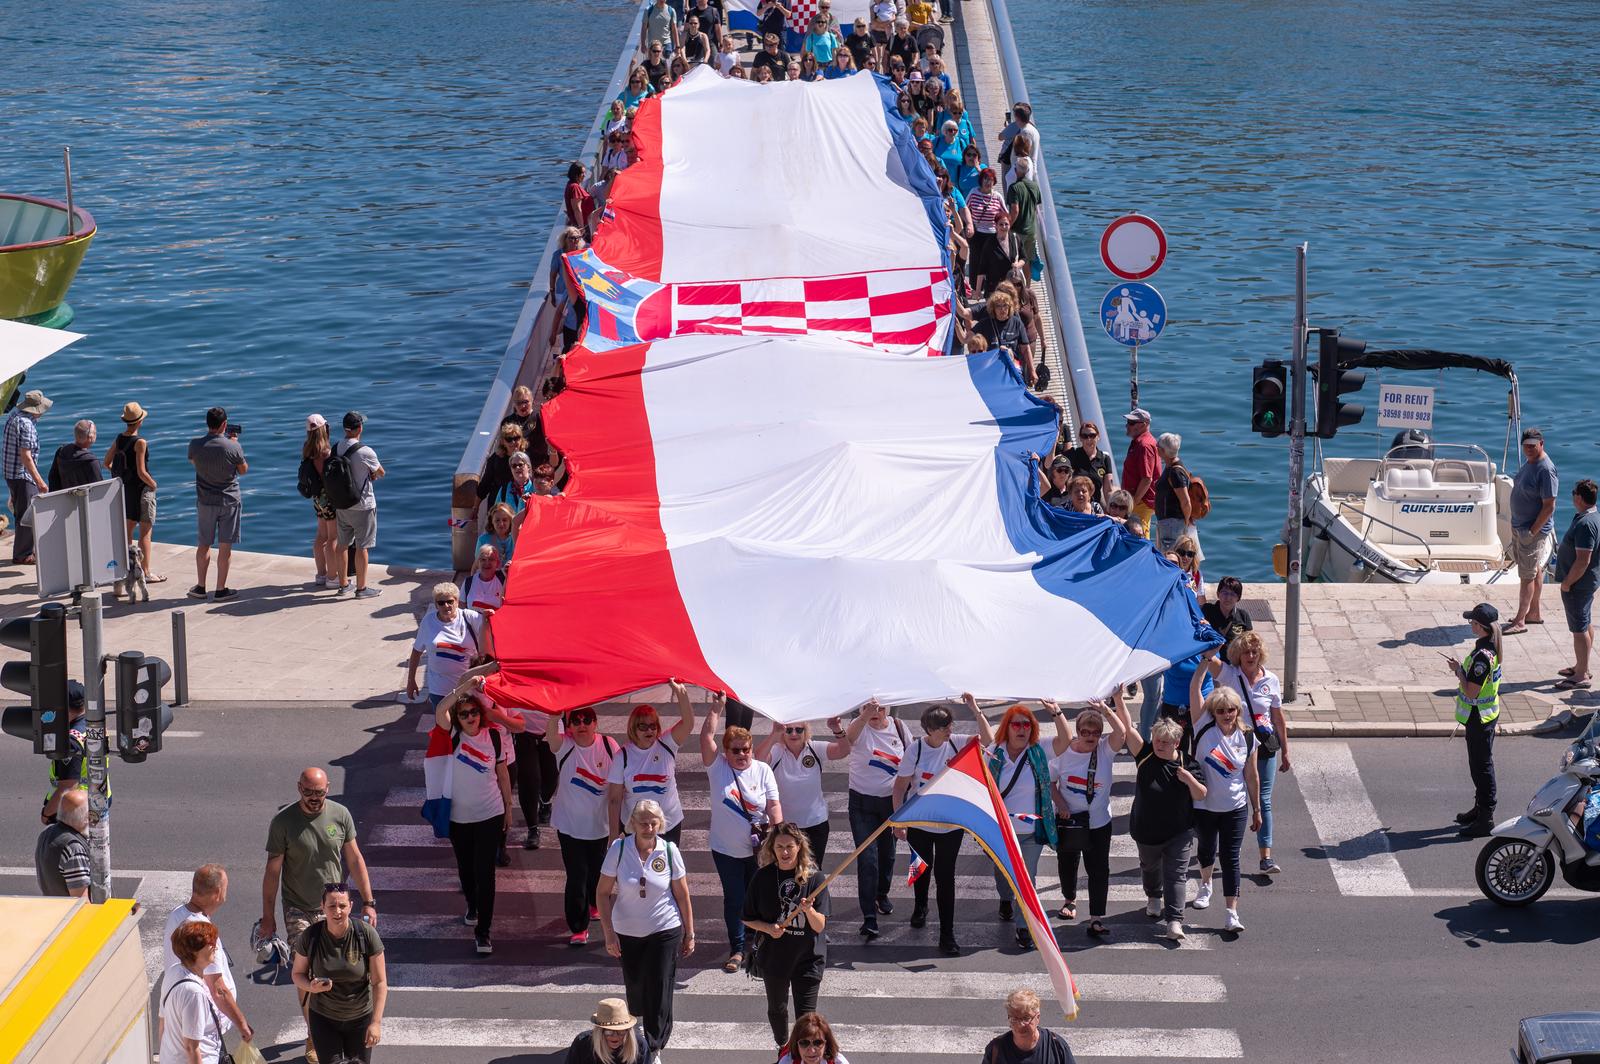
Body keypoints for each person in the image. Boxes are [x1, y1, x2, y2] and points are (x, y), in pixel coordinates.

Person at [261, 766, 377, 1063]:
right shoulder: (283, 822)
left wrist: (368, 901)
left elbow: (354, 858)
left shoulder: (340, 815)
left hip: (333, 906)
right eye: (308, 792)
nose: (314, 798)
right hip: (298, 907)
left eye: (320, 793)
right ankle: (314, 1031)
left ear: (329, 789)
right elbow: (273, 872)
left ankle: (332, 1022)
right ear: (298, 787)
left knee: (334, 968)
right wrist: (268, 916)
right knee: (306, 972)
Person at [598, 800, 694, 1053]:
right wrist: (608, 934)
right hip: (627, 931)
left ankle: (655, 1046)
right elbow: (602, 893)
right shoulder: (618, 849)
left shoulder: (670, 851)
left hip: (665, 928)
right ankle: (640, 1024)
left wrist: (690, 933)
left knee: (660, 986)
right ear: (632, 824)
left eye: (653, 823)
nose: (649, 828)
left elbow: (682, 895)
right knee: (636, 983)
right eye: (643, 823)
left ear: (660, 824)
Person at [975, 698, 1069, 949]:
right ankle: (1006, 898)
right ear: (1007, 727)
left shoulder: (1039, 750)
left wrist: (1057, 713)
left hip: (1030, 832)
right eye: (1016, 724)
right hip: (1000, 831)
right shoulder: (995, 752)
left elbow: (1065, 741)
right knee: (1003, 874)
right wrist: (975, 710)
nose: (1022, 729)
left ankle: (1023, 926)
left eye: (1027, 724)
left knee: (1027, 878)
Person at [700, 692, 783, 971]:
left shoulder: (762, 770)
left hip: (758, 849)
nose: (742, 755)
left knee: (757, 896)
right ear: (726, 752)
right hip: (725, 849)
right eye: (735, 750)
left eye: (746, 749)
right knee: (734, 897)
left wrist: (779, 833)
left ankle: (758, 942)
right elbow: (705, 737)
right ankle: (737, 949)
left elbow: (773, 804)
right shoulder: (717, 767)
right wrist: (716, 709)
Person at [892, 702, 979, 955]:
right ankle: (920, 906)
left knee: (945, 877)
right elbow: (900, 788)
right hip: (920, 821)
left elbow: (989, 738)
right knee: (920, 867)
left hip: (950, 824)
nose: (949, 729)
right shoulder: (915, 750)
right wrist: (899, 821)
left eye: (950, 724)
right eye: (943, 726)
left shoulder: (957, 743)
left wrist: (976, 710)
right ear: (930, 729)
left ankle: (947, 934)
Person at [435, 682, 515, 953]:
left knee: (486, 873)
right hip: (458, 818)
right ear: (457, 719)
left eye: (474, 712)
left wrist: (508, 807)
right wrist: (464, 688)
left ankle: (484, 933)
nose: (471, 717)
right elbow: (440, 709)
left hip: (490, 814)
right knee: (466, 871)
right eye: (464, 714)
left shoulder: (494, 737)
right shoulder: (452, 736)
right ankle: (472, 904)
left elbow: (503, 774)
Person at [1208, 631, 1289, 873]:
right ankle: (1228, 847)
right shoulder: (1230, 675)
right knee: (1232, 798)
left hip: (1264, 746)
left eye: (1254, 651)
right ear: (1238, 655)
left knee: (1262, 799)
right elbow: (1208, 658)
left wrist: (1286, 750)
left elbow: (1278, 717)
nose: (1251, 656)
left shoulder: (1271, 680)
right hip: (1234, 746)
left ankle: (1266, 857)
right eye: (1245, 652)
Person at [1123, 706, 1206, 941]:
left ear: (1176, 744)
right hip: (1146, 831)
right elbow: (1127, 728)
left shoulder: (1187, 763)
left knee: (1176, 875)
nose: (1159, 745)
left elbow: (1201, 794)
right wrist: (1117, 700)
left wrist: (1189, 779)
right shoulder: (1145, 754)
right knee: (1149, 868)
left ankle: (1174, 921)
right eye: (1157, 740)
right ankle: (1153, 896)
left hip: (1179, 832)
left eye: (1165, 742)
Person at [1184, 677, 1261, 932]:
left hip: (1236, 808)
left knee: (1231, 858)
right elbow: (1195, 689)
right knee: (1206, 849)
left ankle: (1231, 913)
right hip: (1204, 807)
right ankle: (1206, 884)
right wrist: (1206, 660)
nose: (1226, 714)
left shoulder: (1247, 738)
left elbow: (1251, 774)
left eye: (1231, 710)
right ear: (1213, 713)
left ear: (1237, 710)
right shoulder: (1203, 727)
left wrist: (1257, 809)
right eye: (1221, 710)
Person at [744, 822, 829, 1050]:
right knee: (777, 1010)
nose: (784, 852)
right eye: (779, 847)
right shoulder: (762, 878)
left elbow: (820, 926)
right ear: (772, 848)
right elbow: (747, 917)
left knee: (807, 1019)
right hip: (775, 959)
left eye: (789, 847)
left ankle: (804, 1057)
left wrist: (809, 910)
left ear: (799, 846)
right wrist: (768, 928)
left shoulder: (815, 879)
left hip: (808, 959)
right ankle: (783, 1047)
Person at [1051, 698, 1127, 936]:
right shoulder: (1063, 753)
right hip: (1070, 821)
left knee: (1098, 870)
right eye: (1085, 731)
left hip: (1099, 823)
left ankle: (1096, 917)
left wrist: (1106, 709)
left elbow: (1122, 732)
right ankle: (1069, 900)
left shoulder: (1105, 750)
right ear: (1078, 732)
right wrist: (1061, 803)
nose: (1090, 736)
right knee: (1067, 862)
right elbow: (1050, 782)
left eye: (1095, 732)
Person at [292, 882, 387, 1063]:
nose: (337, 911)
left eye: (342, 906)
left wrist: (376, 1023)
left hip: (360, 1018)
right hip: (323, 1018)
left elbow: (380, 982)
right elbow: (297, 974)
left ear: (351, 906)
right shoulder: (310, 937)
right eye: (332, 906)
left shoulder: (366, 935)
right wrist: (310, 986)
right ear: (322, 907)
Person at [840, 697, 908, 939]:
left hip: (891, 804)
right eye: (868, 708)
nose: (875, 712)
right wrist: (863, 716)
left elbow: (912, 758)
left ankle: (881, 894)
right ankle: (869, 917)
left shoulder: (899, 727)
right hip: (862, 805)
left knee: (887, 855)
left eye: (879, 707)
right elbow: (847, 740)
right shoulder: (859, 728)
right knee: (867, 860)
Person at [162, 865, 252, 1046]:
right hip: (203, 1029)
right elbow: (218, 989)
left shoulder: (177, 914)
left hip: (183, 1020)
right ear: (218, 892)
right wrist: (242, 1025)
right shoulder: (202, 934)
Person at [554, 704, 621, 946]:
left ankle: (595, 904)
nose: (582, 725)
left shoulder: (608, 746)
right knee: (576, 875)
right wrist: (554, 709)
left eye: (587, 720)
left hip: (600, 826)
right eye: (576, 721)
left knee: (597, 871)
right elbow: (551, 731)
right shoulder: (564, 745)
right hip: (569, 826)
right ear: (569, 726)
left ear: (596, 723)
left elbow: (619, 782)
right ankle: (578, 927)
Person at [607, 681, 697, 846]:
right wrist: (613, 835)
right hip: (635, 826)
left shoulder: (667, 744)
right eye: (643, 726)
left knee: (665, 870)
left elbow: (688, 723)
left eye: (652, 726)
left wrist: (681, 693)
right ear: (633, 728)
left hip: (668, 824)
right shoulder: (623, 756)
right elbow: (614, 799)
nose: (649, 731)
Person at [1447, 602, 1505, 838]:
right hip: (1484, 716)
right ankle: (1479, 808)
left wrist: (1458, 673)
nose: (1470, 624)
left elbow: (1471, 691)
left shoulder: (1482, 656)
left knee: (1482, 768)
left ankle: (1486, 818)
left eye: (1472, 621)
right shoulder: (1489, 647)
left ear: (1480, 627)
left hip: (1479, 719)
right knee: (1478, 766)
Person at [758, 714, 850, 863]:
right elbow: (758, 760)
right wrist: (773, 734)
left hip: (816, 823)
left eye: (799, 730)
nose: (794, 734)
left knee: (812, 872)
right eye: (788, 730)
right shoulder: (777, 751)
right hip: (785, 827)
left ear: (805, 731)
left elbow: (843, 751)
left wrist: (837, 729)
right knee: (787, 870)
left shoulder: (814, 748)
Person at [187, 406, 247, 600]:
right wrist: (234, 443)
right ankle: (221, 589)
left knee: (203, 544)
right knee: (225, 546)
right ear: (224, 424)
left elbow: (194, 463)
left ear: (207, 423)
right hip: (229, 500)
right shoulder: (233, 446)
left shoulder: (195, 444)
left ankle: (201, 587)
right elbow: (243, 470)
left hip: (205, 501)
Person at [406, 581, 493, 708]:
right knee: (444, 725)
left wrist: (489, 617)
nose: (446, 606)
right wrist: (411, 680)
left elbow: (493, 628)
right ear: (436, 604)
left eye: (450, 601)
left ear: (457, 601)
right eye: (441, 603)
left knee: (466, 724)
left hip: (468, 686)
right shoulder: (428, 621)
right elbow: (416, 652)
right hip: (439, 689)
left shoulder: (470, 617)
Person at [1506, 427, 1558, 633]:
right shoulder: (1531, 462)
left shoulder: (1546, 469)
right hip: (1520, 526)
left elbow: (1549, 505)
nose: (1528, 449)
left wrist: (1532, 532)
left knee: (1526, 576)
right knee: (1534, 570)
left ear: (1541, 444)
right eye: (1525, 446)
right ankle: (1534, 613)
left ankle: (1519, 620)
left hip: (1531, 531)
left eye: (1532, 446)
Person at [160, 920, 231, 1064]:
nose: (214, 947)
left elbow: (162, 1021)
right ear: (194, 952)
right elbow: (192, 1047)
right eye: (209, 943)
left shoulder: (174, 972)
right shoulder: (194, 993)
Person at [106, 401, 162, 583]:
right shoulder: (140, 442)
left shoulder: (119, 439)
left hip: (126, 490)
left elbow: (106, 463)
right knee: (145, 531)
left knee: (128, 530)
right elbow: (141, 472)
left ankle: (127, 567)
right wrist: (153, 484)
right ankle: (146, 573)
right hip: (141, 490)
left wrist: (122, 473)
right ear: (140, 422)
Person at [330, 411, 384, 598]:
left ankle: (344, 584)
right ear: (359, 428)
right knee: (362, 547)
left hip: (342, 503)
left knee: (342, 544)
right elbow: (381, 472)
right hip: (363, 505)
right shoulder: (365, 451)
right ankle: (361, 588)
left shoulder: (336, 448)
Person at [39, 680, 106, 826]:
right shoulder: (94, 725)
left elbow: (68, 786)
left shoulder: (71, 741)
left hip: (75, 809)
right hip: (98, 801)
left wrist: (47, 813)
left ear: (65, 708)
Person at [1555, 479, 1600, 692]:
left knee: (1579, 628)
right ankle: (1582, 666)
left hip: (1578, 585)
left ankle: (1581, 675)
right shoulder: (1591, 517)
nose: (1572, 496)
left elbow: (1583, 560)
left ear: (1579, 498)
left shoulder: (1585, 524)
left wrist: (1567, 583)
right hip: (1585, 583)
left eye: (1574, 493)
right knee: (1585, 622)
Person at [2, 389, 50, 564]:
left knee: (21, 512)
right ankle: (23, 555)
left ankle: (23, 550)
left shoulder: (14, 417)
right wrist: (40, 482)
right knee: (26, 515)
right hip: (22, 475)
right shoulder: (27, 425)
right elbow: (26, 457)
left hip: (10, 473)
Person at [297, 414, 341, 588]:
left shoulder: (307, 449)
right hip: (329, 499)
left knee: (320, 536)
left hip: (317, 499)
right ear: (325, 429)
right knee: (333, 538)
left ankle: (321, 574)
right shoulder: (325, 452)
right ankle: (332, 577)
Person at [980, 988, 1078, 1064]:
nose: (1020, 1025)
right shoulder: (996, 1049)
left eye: (1026, 1018)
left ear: (1038, 1017)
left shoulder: (1056, 1046)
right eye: (1014, 1019)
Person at [34, 788, 90, 897]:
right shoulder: (74, 849)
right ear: (85, 818)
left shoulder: (46, 833)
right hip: (72, 912)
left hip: (54, 906)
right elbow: (81, 900)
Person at [565, 999, 650, 1064]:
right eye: (609, 1031)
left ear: (628, 1031)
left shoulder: (639, 1045)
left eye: (621, 1031)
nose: (615, 1036)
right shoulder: (583, 1043)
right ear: (599, 1031)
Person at [1152, 432, 1196, 556]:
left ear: (1163, 450)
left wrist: (1186, 521)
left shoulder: (1175, 472)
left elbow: (1185, 501)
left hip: (1173, 525)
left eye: (1158, 446)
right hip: (1168, 523)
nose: (1156, 448)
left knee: (1170, 556)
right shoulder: (1170, 467)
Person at [1120, 408, 1160, 537]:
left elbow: (1147, 479)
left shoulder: (1144, 446)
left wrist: (1134, 502)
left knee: (1139, 533)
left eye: (1131, 423)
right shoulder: (1138, 442)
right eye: (1128, 422)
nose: (1127, 426)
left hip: (1141, 500)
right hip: (1136, 499)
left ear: (1143, 425)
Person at [1062, 421, 1114, 509]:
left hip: (1095, 506)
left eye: (1092, 435)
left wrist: (1110, 510)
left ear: (1098, 437)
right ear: (1080, 438)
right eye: (1085, 436)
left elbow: (1108, 490)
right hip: (1075, 506)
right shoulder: (1073, 454)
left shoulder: (1105, 458)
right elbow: (1055, 466)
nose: (1089, 439)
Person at [1006, 157, 1043, 279]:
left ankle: (1015, 288)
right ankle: (1027, 288)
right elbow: (1037, 205)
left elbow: (1015, 210)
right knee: (1026, 260)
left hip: (1018, 231)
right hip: (1031, 230)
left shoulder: (1014, 188)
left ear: (1016, 170)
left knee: (1014, 261)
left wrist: (1009, 225)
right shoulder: (1035, 186)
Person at [1201, 576, 1253, 662]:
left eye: (1233, 594)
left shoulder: (1243, 616)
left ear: (1238, 598)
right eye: (1224, 592)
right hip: (1210, 662)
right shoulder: (1206, 610)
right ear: (1218, 594)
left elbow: (1249, 643)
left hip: (1233, 664)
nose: (1228, 598)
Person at [47, 418, 103, 490]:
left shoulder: (61, 452)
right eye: (95, 432)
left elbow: (53, 478)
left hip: (65, 499)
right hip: (86, 500)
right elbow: (100, 489)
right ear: (90, 437)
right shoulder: (91, 462)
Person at [778, 1012, 851, 1064]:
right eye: (804, 1043)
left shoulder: (838, 1062)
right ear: (796, 1045)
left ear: (826, 1044)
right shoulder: (787, 1061)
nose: (812, 1051)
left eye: (818, 1043)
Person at [460, 544, 506, 613]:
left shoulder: (504, 580)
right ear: (478, 563)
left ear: (497, 563)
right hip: (473, 623)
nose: (487, 562)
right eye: (483, 560)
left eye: (491, 559)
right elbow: (461, 608)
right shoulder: (468, 582)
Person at [476, 502, 517, 574]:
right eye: (497, 520)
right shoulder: (483, 540)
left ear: (510, 521)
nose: (501, 524)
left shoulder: (517, 538)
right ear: (491, 521)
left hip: (512, 578)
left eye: (504, 520)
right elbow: (477, 565)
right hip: (491, 578)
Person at [1171, 533, 1205, 604]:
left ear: (1194, 556)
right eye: (1181, 552)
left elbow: (1201, 602)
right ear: (1175, 552)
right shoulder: (1169, 572)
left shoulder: (1197, 575)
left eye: (1190, 554)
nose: (1185, 557)